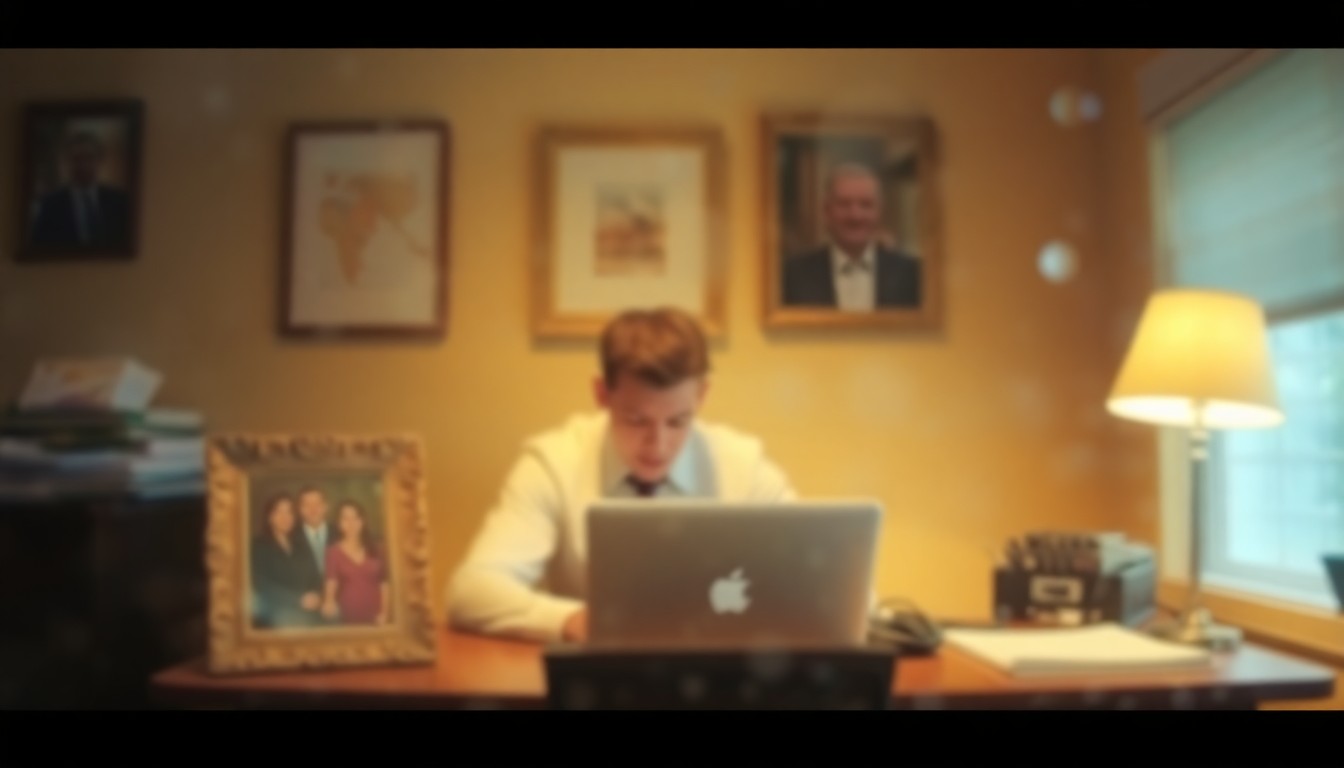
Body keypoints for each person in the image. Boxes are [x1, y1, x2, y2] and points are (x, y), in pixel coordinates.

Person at [446, 306, 797, 644]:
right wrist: (573, 620)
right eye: (636, 420)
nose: (658, 445)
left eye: (677, 421)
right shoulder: (554, 463)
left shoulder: (744, 465)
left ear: (702, 395)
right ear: (602, 394)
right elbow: (472, 590)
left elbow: (811, 578)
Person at [781, 162, 921, 310]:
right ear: (826, 211)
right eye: (844, 204)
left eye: (866, 205)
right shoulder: (791, 275)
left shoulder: (912, 274)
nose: (855, 216)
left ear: (879, 212)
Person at [29, 129, 131, 249]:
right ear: (67, 162)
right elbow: (39, 245)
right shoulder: (50, 204)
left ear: (99, 161)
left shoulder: (118, 200)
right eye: (77, 158)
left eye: (89, 158)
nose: (83, 165)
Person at [249, 494, 324, 629]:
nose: (285, 517)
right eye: (279, 512)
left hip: (309, 607)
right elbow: (261, 584)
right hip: (277, 609)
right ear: (270, 517)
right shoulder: (259, 545)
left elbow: (315, 577)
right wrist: (298, 600)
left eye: (289, 512)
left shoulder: (301, 544)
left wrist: (316, 595)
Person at [322, 500, 391, 625]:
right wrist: (329, 601)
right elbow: (331, 582)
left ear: (362, 521)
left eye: (355, 518)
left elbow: (384, 584)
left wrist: (385, 613)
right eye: (345, 519)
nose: (351, 523)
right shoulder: (333, 552)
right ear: (339, 523)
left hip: (377, 618)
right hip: (348, 618)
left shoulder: (377, 549)